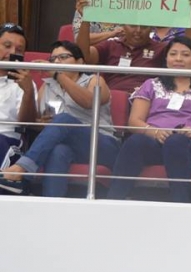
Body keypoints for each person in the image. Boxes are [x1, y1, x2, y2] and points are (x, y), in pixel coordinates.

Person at [106, 36, 191, 202]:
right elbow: (134, 121)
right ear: (166, 59)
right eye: (173, 54)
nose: (178, 59)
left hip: (190, 145)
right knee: (135, 141)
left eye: (185, 55)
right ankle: (113, 201)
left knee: (176, 141)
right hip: (156, 142)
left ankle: (180, 203)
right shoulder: (151, 84)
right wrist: (155, 132)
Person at [0, 41, 120, 196]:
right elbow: (38, 122)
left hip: (100, 144)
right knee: (58, 151)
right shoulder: (47, 86)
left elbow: (89, 102)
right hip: (67, 145)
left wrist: (58, 75)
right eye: (53, 59)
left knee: (64, 119)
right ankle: (51, 204)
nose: (56, 62)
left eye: (63, 57)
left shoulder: (94, 80)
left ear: (80, 62)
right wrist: (41, 123)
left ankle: (21, 168)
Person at [75, 0, 168, 94]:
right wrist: (86, 19)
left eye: (144, 26)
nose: (138, 30)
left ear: (151, 28)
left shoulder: (162, 49)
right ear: (123, 26)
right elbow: (84, 55)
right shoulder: (111, 45)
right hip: (113, 99)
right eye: (133, 26)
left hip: (146, 99)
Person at [0, 24, 36, 174]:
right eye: (7, 46)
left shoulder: (25, 84)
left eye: (19, 50)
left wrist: (28, 92)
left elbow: (27, 123)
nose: (13, 52)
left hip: (7, 140)